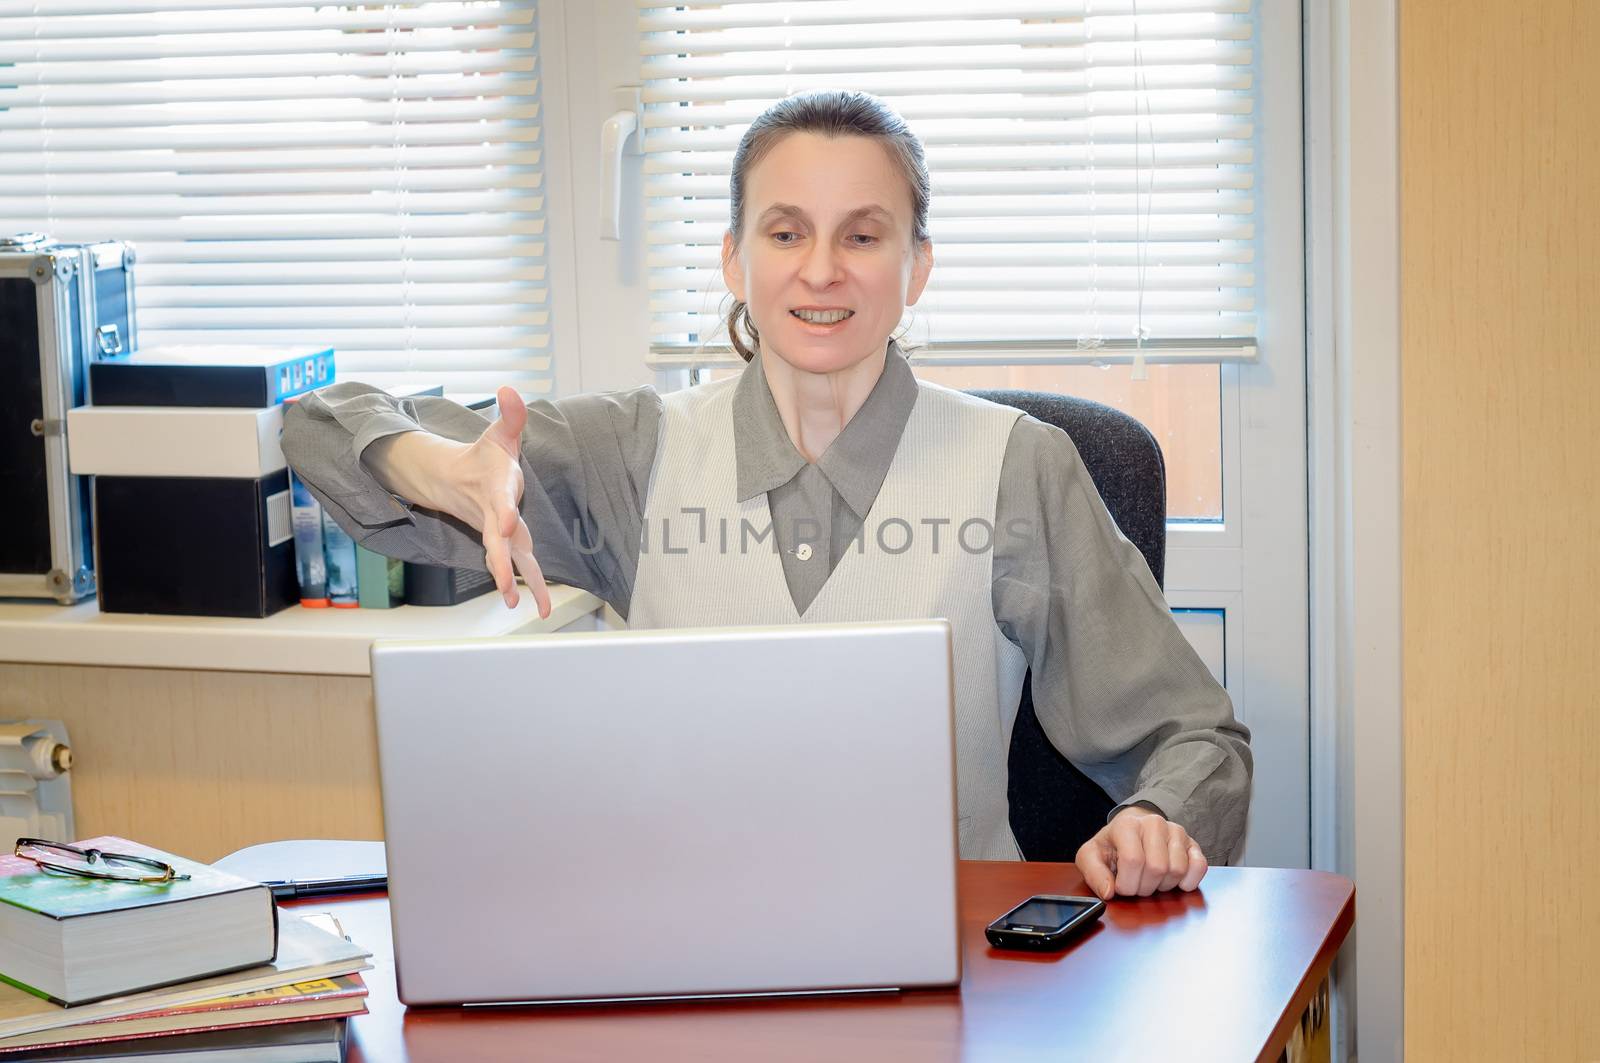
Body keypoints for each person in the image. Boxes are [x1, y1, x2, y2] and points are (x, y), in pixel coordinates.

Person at [282, 90, 1251, 901]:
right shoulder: (631, 448)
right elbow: (321, 423)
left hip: (952, 953)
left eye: (862, 235)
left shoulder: (1020, 465)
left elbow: (1193, 736)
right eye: (785, 232)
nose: (821, 270)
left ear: (914, 267)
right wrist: (448, 468)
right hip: (677, 937)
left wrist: (1157, 820)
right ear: (733, 260)